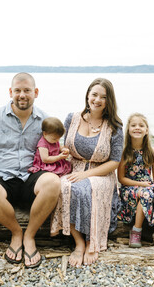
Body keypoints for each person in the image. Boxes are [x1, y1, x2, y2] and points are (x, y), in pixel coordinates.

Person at [0, 73, 60, 268]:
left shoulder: (46, 120)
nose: (22, 95)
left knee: (53, 182)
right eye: (18, 90)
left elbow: (55, 147)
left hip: (32, 175)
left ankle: (29, 236)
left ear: (36, 92)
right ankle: (16, 233)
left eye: (27, 90)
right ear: (10, 92)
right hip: (1, 176)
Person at [50, 78, 123, 267]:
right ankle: (79, 243)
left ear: (109, 100)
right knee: (63, 186)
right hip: (72, 169)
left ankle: (92, 240)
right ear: (88, 96)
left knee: (84, 189)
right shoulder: (72, 118)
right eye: (94, 94)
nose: (97, 99)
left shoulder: (114, 126)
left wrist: (86, 175)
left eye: (103, 97)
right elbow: (60, 146)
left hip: (101, 174)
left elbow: (114, 162)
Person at [117, 113, 154, 248]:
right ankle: (136, 232)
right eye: (133, 125)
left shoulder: (151, 151)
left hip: (148, 186)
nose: (137, 128)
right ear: (128, 130)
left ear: (146, 130)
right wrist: (141, 184)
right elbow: (121, 179)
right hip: (129, 189)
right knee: (145, 193)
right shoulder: (124, 152)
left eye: (141, 125)